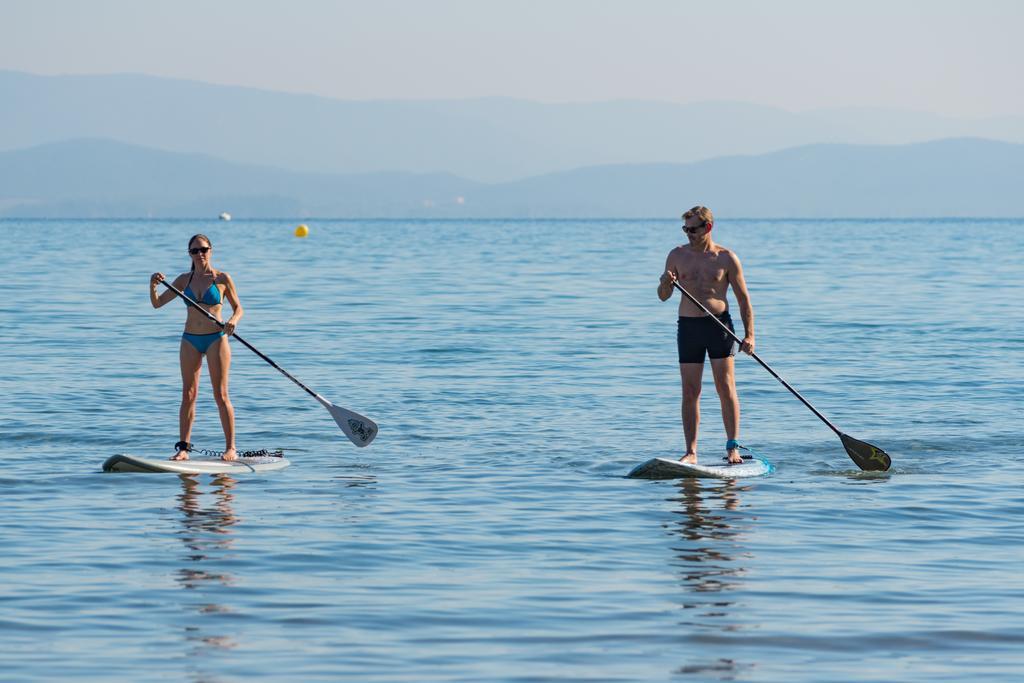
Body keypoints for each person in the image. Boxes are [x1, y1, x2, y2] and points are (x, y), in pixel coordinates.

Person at [657, 206, 754, 465]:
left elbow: (744, 300)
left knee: (725, 387)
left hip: (719, 327)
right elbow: (663, 296)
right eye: (685, 229)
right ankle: (691, 452)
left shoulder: (726, 258)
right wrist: (665, 283)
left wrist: (750, 336)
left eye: (693, 229)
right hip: (688, 327)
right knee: (690, 391)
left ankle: (732, 448)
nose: (688, 233)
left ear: (707, 227)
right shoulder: (676, 255)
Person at [150, 234, 243, 461]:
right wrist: (152, 285)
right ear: (189, 254)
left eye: (203, 249)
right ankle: (183, 449)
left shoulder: (222, 278)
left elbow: (239, 308)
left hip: (216, 338)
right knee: (188, 394)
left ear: (211, 250)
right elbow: (157, 303)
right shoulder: (184, 280)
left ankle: (231, 448)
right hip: (190, 339)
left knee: (220, 394)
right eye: (194, 251)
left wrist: (233, 321)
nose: (199, 254)